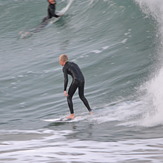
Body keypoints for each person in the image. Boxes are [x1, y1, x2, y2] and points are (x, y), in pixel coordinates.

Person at [59, 54, 92, 119]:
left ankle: (72, 115)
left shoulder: (65, 67)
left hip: (76, 80)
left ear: (62, 61)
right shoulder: (73, 63)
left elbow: (66, 79)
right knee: (82, 96)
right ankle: (90, 111)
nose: (59, 62)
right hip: (82, 79)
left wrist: (65, 90)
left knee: (69, 97)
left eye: (59, 61)